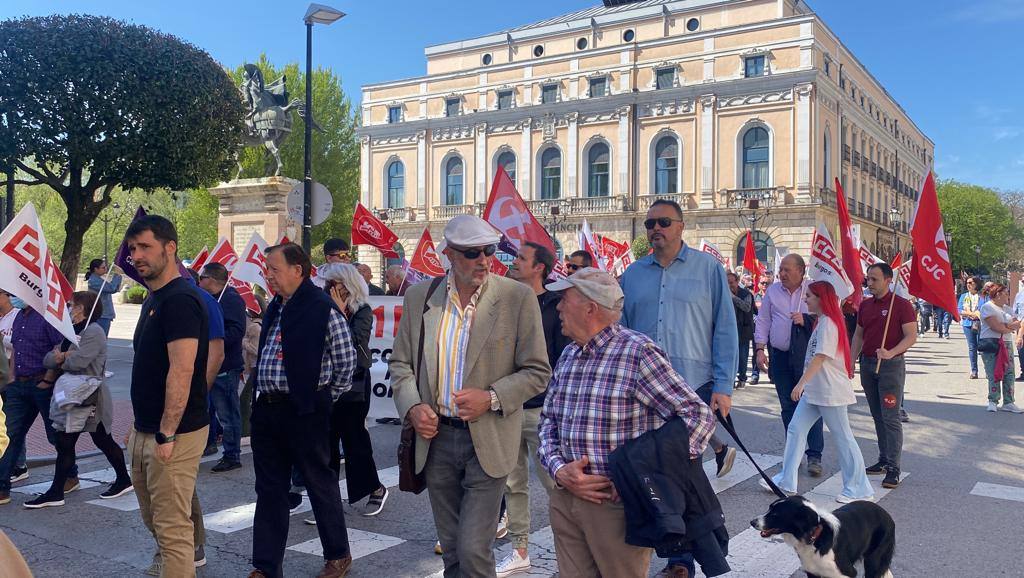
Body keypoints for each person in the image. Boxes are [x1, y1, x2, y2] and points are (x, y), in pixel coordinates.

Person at [390, 214, 550, 578]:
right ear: (449, 253)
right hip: (436, 439)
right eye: (472, 252)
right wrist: (413, 407)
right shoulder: (421, 297)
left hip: (489, 438)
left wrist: (491, 397)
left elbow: (538, 371)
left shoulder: (516, 297)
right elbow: (400, 365)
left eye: (489, 251)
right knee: (452, 550)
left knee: (474, 550)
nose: (483, 260)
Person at [539, 267, 715, 578]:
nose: (559, 307)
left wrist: (639, 477)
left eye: (565, 299)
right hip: (566, 498)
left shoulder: (637, 352)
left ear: (590, 308)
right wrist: (558, 469)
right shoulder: (569, 354)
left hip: (615, 507)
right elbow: (547, 424)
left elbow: (697, 418)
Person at [619, 200, 737, 578]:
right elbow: (620, 331)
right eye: (650, 223)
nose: (656, 228)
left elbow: (724, 328)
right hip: (643, 392)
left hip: (693, 387)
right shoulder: (632, 274)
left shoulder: (708, 269)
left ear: (681, 226)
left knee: (684, 472)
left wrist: (723, 385)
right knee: (658, 474)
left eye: (664, 222)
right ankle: (693, 547)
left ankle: (684, 557)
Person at [249, 242, 356, 578]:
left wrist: (322, 398)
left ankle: (338, 555)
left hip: (305, 411)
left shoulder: (321, 306)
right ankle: (266, 567)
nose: (269, 277)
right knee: (269, 490)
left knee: (319, 484)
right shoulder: (276, 307)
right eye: (268, 270)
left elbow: (346, 361)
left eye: (274, 270)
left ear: (298, 270)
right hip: (267, 411)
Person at [125, 215, 210, 578]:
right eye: (132, 249)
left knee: (173, 531)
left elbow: (182, 369)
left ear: (169, 247)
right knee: (156, 522)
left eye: (145, 246)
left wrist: (166, 432)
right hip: (147, 429)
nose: (137, 256)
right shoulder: (155, 298)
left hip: (174, 433)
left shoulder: (180, 300)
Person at [762, 281, 874, 502]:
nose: (806, 299)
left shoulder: (830, 324)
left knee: (843, 437)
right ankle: (787, 480)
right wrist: (806, 385)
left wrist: (800, 383)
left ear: (822, 299)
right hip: (816, 391)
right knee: (795, 429)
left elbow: (820, 356)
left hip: (830, 392)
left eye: (810, 296)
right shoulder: (823, 322)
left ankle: (859, 487)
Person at [497, 241, 567, 576]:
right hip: (509, 406)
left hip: (544, 411)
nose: (514, 261)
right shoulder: (505, 301)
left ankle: (571, 549)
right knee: (513, 484)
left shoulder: (556, 304)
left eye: (521, 258)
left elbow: (563, 359)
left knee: (556, 483)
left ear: (539, 267)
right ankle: (519, 549)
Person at [24, 291, 133, 508]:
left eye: (71, 304)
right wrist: (61, 357)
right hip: (72, 395)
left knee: (101, 439)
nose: (68, 307)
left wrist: (62, 358)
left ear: (83, 307)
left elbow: (79, 362)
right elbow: (48, 358)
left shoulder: (94, 331)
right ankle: (58, 491)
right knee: (66, 442)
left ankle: (122, 479)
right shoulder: (71, 331)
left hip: (89, 395)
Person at [318, 262, 389, 516]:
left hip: (354, 383)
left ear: (346, 286)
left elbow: (352, 343)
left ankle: (375, 488)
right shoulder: (322, 308)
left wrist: (337, 314)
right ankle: (329, 502)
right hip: (327, 382)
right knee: (327, 443)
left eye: (333, 285)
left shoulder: (363, 311)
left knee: (354, 440)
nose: (328, 289)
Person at [0, 302, 78, 506]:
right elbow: (16, 349)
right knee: (9, 435)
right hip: (19, 385)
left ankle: (70, 475)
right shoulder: (19, 317)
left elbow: (58, 348)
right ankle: (2, 487)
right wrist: (11, 378)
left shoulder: (47, 317)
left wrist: (48, 379)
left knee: (54, 435)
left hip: (42, 383)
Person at [754, 253, 824, 477]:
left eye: (786, 270)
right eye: (780, 270)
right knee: (787, 406)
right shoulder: (773, 291)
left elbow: (830, 318)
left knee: (811, 405)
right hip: (781, 357)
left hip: (806, 359)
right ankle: (794, 452)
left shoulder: (814, 290)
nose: (781, 274)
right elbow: (764, 320)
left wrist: (808, 319)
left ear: (801, 271)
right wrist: (760, 349)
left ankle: (814, 455)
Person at [851, 263, 917, 490]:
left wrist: (891, 352)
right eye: (868, 279)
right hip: (868, 364)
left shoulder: (902, 305)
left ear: (889, 280)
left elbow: (911, 336)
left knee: (890, 416)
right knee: (877, 415)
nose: (869, 283)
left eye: (874, 279)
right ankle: (883, 457)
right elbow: (859, 335)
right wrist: (851, 360)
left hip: (890, 365)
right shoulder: (866, 305)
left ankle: (894, 467)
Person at [197, 262, 246, 472]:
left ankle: (232, 454)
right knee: (212, 410)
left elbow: (237, 330)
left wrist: (214, 340)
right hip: (210, 363)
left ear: (211, 279)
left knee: (227, 413)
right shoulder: (212, 299)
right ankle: (210, 445)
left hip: (226, 365)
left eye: (202, 278)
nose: (199, 282)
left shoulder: (231, 298)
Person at [979, 283, 1021, 413]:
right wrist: (1008, 326)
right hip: (991, 342)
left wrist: (1006, 326)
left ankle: (1009, 401)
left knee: (1009, 372)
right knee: (993, 371)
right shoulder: (987, 307)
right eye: (1005, 293)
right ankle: (993, 400)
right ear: (997, 295)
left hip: (1006, 342)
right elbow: (996, 327)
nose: (1008, 296)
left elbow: (1018, 324)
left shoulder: (1007, 309)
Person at [241, 294, 265, 437]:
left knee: (245, 398)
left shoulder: (255, 326)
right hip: (257, 366)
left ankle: (246, 430)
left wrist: (244, 342)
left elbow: (256, 350)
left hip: (256, 366)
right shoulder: (261, 323)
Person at [728, 271, 755, 389]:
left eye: (731, 282)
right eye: (726, 283)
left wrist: (733, 298)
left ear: (737, 282)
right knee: (729, 356)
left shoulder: (746, 293)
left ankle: (742, 378)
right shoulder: (723, 293)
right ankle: (730, 379)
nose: (729, 285)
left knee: (742, 356)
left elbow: (746, 307)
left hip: (743, 330)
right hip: (729, 330)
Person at [85, 259, 124, 336]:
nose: (106, 269)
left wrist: (118, 277)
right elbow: (111, 288)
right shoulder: (94, 281)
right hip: (101, 315)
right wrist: (117, 274)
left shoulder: (99, 279)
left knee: (102, 338)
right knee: (100, 338)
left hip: (104, 314)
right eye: (103, 267)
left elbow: (114, 289)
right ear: (96, 269)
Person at [959, 277, 983, 379]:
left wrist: (977, 314)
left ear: (976, 284)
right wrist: (970, 313)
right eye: (967, 283)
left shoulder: (982, 296)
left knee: (982, 347)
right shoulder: (964, 296)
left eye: (970, 282)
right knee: (972, 347)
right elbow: (959, 309)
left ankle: (987, 368)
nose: (968, 284)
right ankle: (974, 371)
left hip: (980, 324)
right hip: (968, 324)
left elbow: (985, 308)